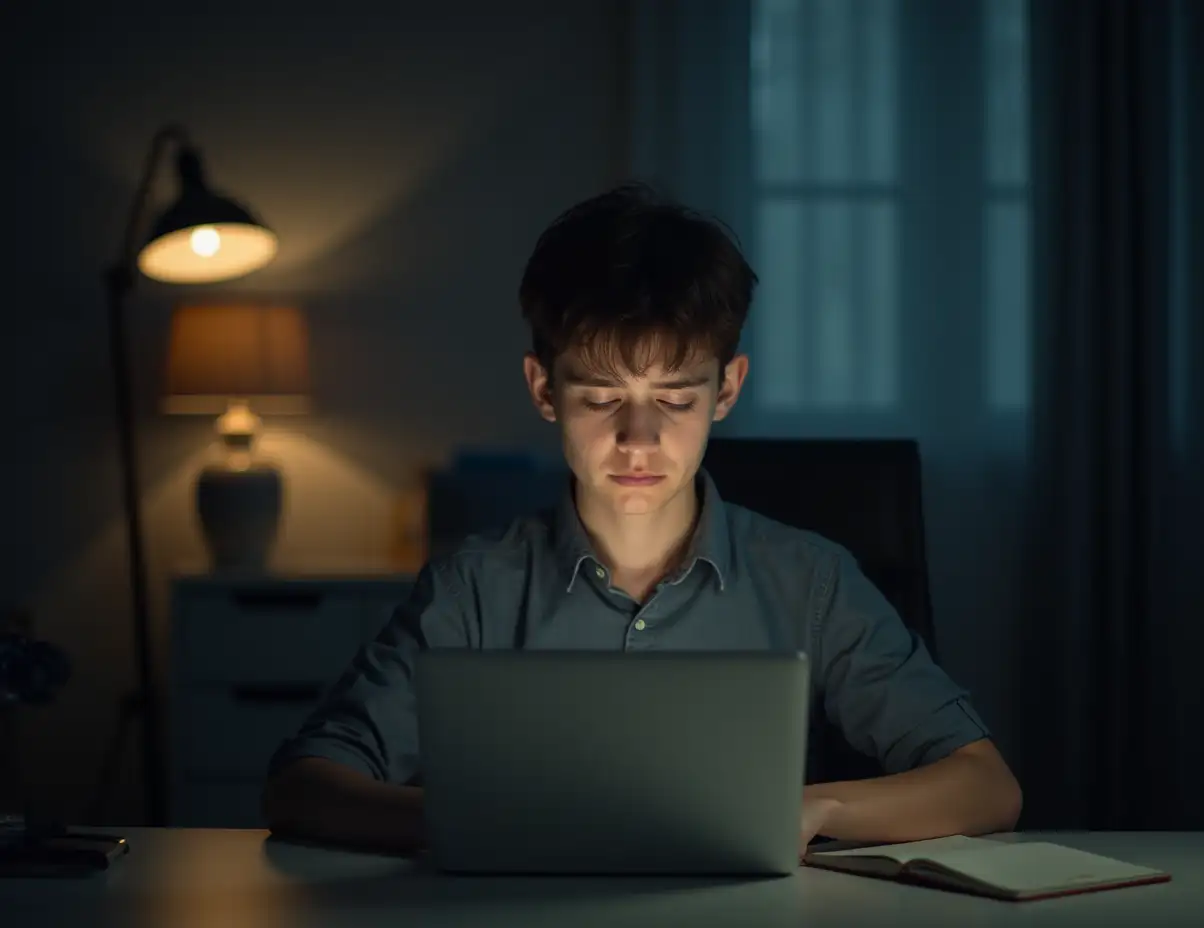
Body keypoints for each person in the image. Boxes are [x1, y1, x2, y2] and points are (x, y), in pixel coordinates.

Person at [262, 184, 1022, 858]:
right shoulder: (476, 589)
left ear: (727, 390)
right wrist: (468, 823)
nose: (638, 439)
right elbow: (304, 786)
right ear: (543, 388)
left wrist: (811, 808)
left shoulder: (810, 581)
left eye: (675, 399)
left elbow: (985, 786)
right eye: (600, 398)